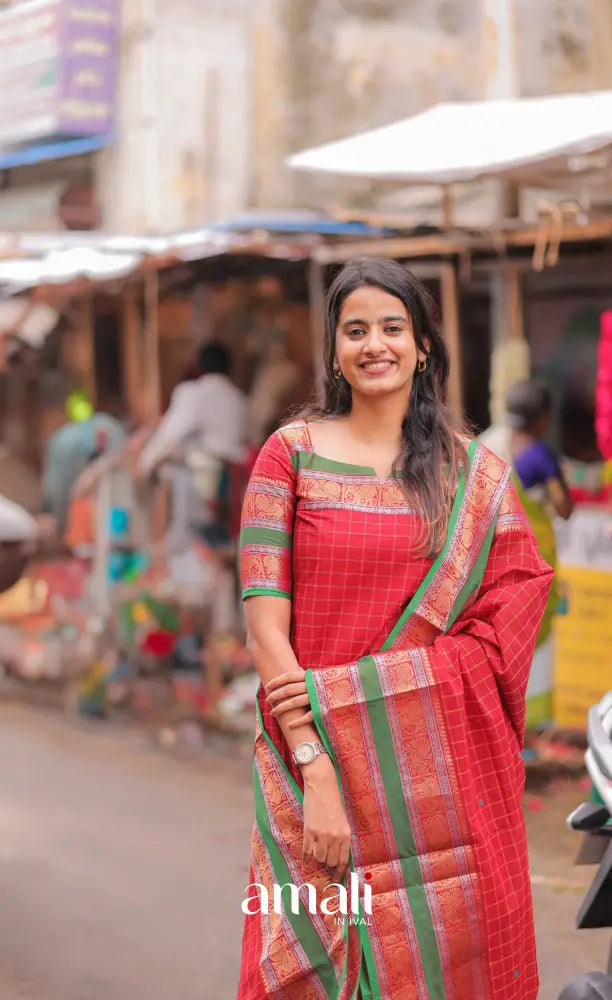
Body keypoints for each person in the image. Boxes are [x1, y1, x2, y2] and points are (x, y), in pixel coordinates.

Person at [237, 258, 553, 1000]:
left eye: (391, 327)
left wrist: (398, 693)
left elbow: (513, 607)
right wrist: (315, 764)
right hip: (309, 768)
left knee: (444, 964)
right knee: (314, 962)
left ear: (422, 348)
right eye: (355, 330)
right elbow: (263, 630)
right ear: (335, 351)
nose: (374, 344)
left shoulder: (470, 476)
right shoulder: (291, 456)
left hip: (435, 785)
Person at [138, 341, 247, 478]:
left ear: (200, 366)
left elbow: (170, 436)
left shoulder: (192, 392)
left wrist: (146, 463)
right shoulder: (240, 399)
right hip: (235, 476)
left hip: (206, 476)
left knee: (169, 460)